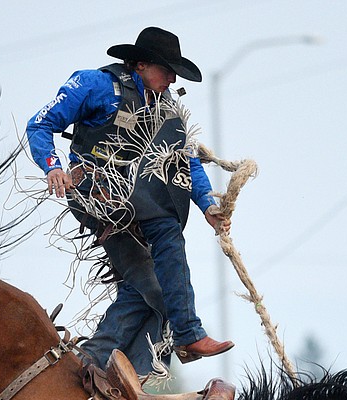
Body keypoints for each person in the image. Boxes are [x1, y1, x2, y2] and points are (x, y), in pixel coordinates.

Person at [26, 26, 234, 374]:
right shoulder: (95, 85)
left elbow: (186, 161)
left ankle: (102, 367)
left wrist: (207, 207)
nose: (171, 77)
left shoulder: (167, 110)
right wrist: (53, 167)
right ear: (139, 64)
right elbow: (40, 124)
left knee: (149, 280)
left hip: (141, 198)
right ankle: (180, 338)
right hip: (98, 194)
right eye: (165, 68)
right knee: (160, 256)